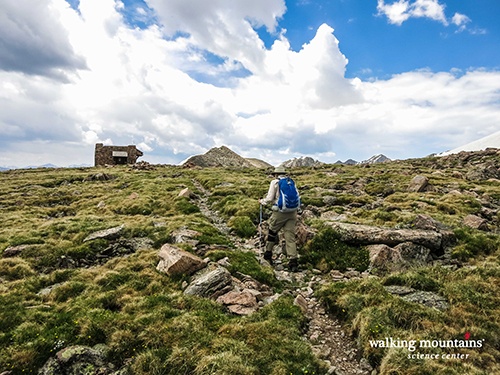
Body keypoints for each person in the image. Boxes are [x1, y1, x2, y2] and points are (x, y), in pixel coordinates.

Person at [259, 166, 300, 272]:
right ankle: (293, 262)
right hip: (292, 212)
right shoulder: (291, 182)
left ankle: (268, 254)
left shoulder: (275, 182)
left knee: (272, 232)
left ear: (275, 174)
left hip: (280, 212)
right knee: (290, 236)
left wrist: (262, 202)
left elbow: (270, 198)